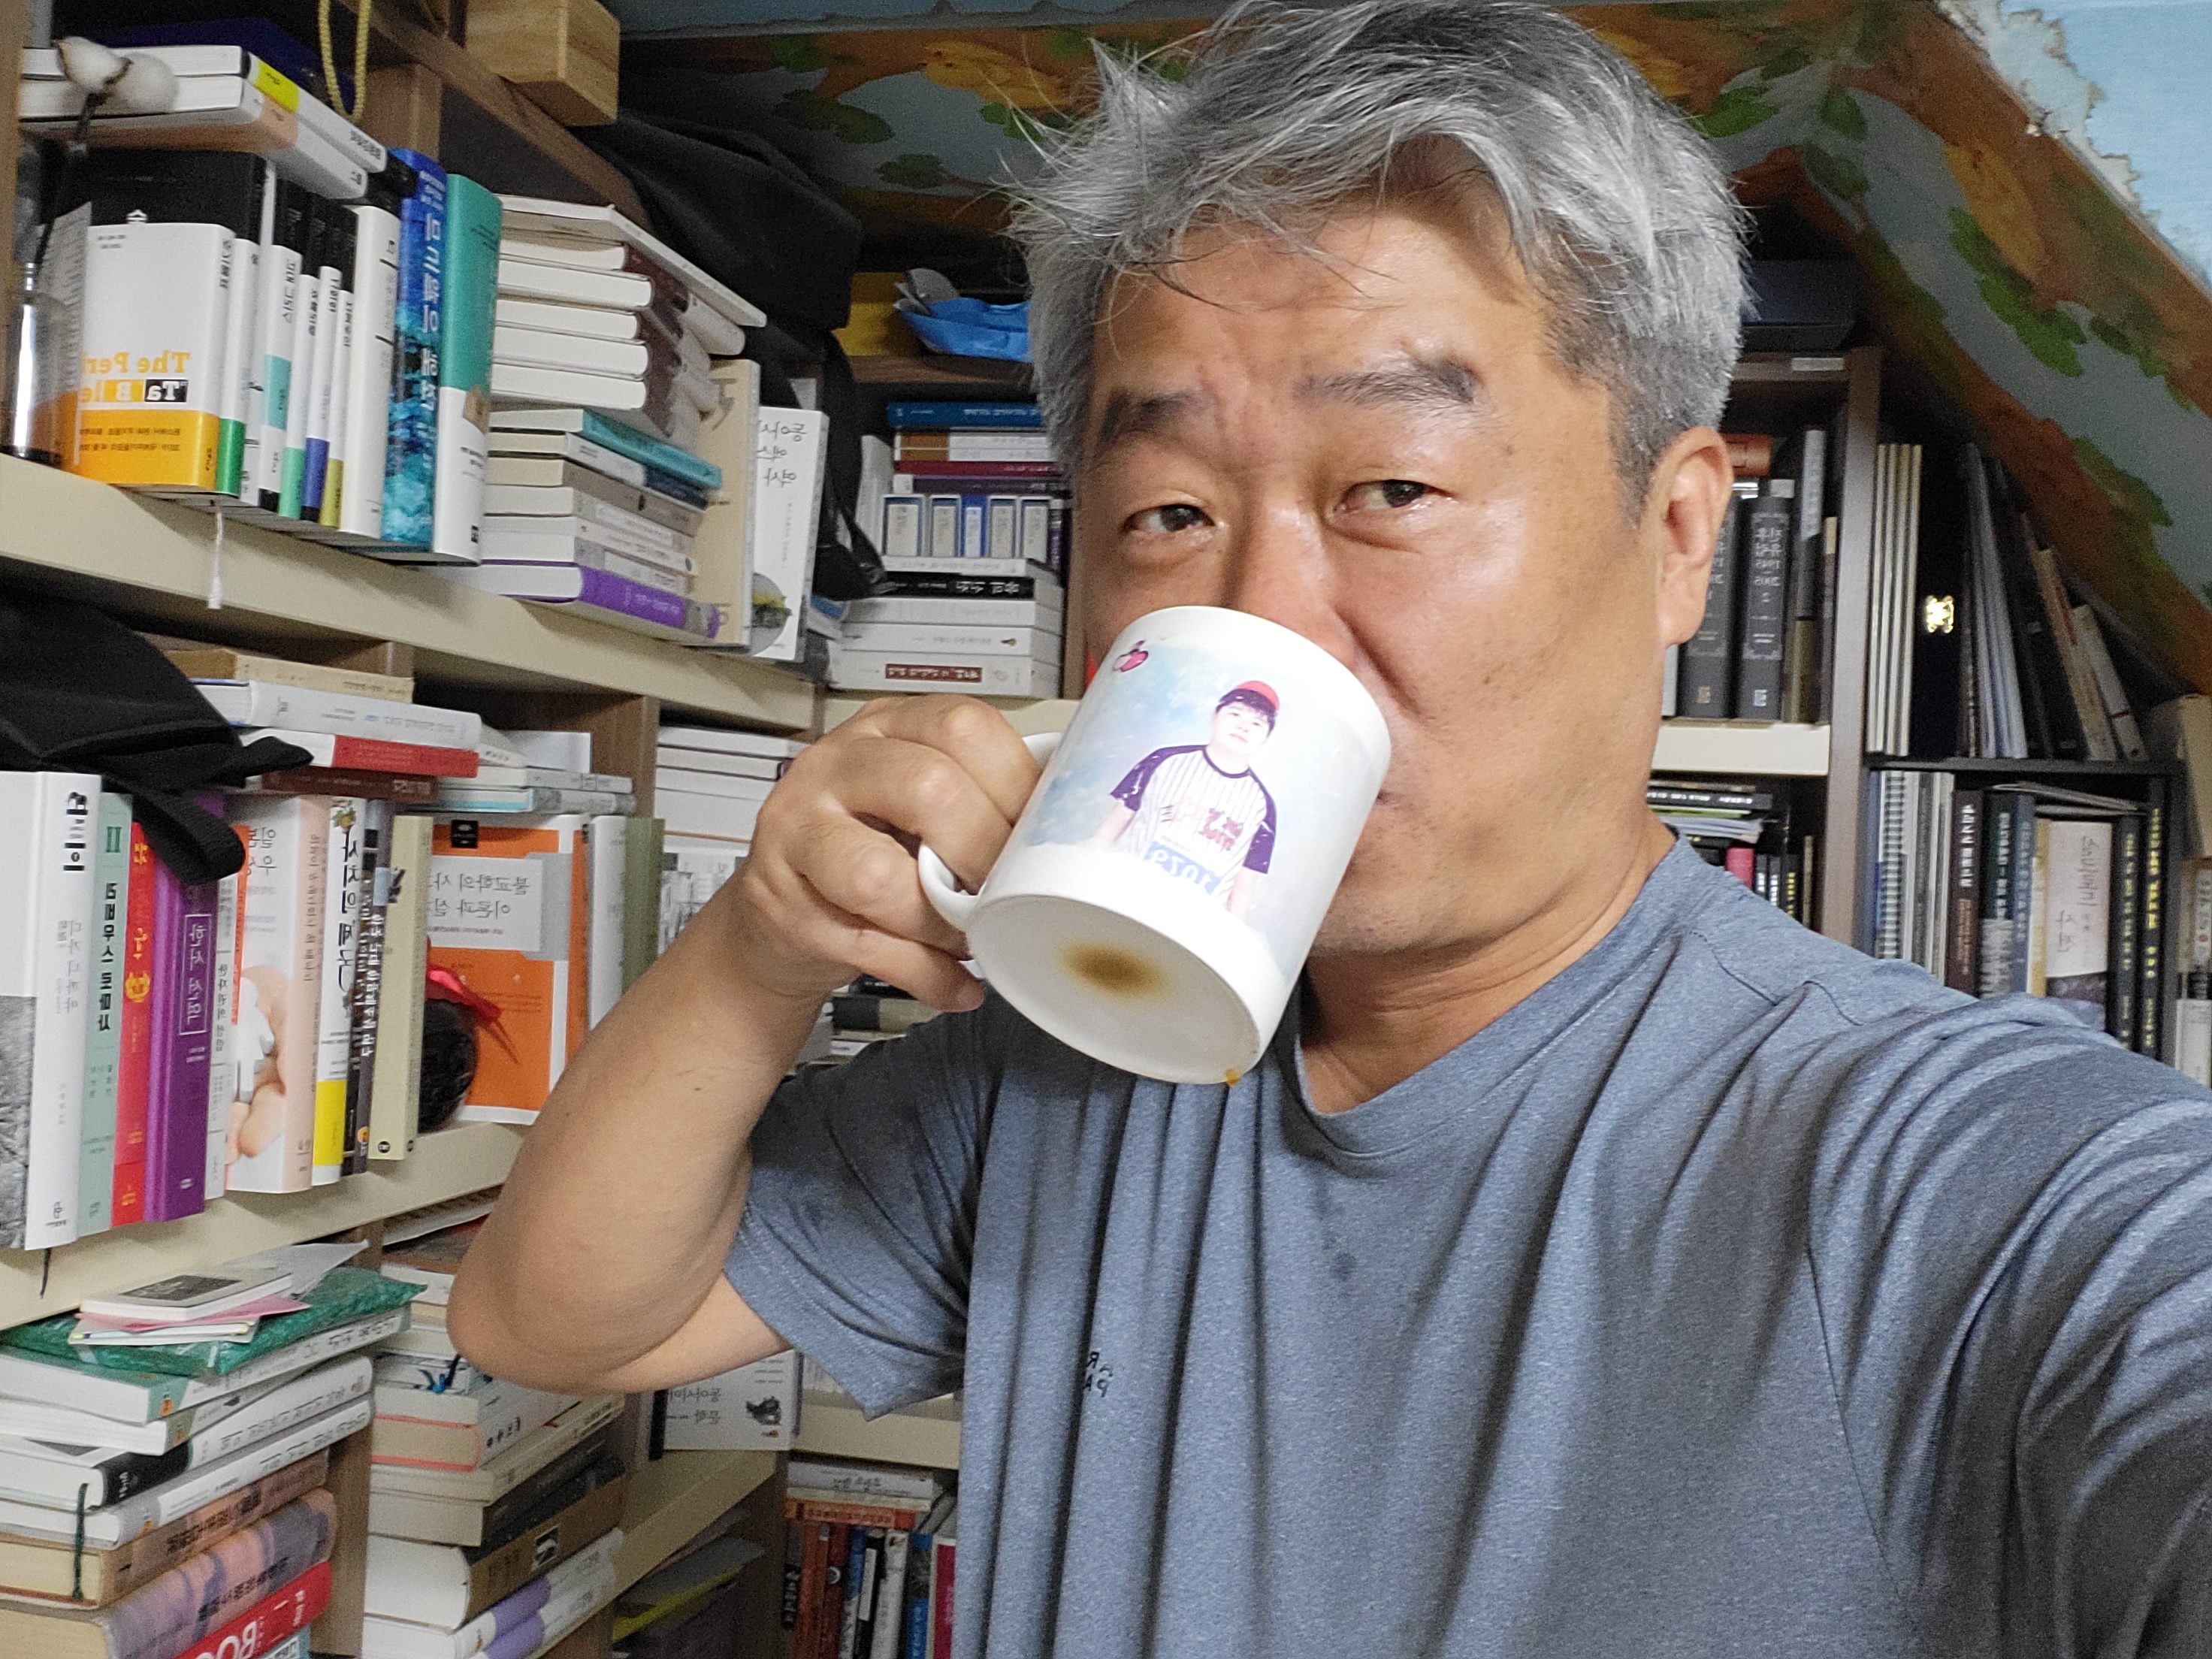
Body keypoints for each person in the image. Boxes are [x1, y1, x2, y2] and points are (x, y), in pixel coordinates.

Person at [448, 4, 2212, 1654]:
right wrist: (763, 943)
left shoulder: (1959, 1176)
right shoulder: (1060, 1070)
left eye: (1390, 488)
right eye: (1164, 512)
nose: (1261, 616)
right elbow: (556, 1318)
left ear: (1677, 537)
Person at [1086, 680, 1280, 918]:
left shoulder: (1262, 806)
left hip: (1190, 922)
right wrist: (1085, 872)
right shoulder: (1164, 760)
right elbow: (1115, 822)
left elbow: (1244, 885)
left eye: (1257, 723)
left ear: (1266, 737)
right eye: (1235, 713)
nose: (1243, 727)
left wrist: (1233, 931)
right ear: (1214, 716)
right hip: (1121, 895)